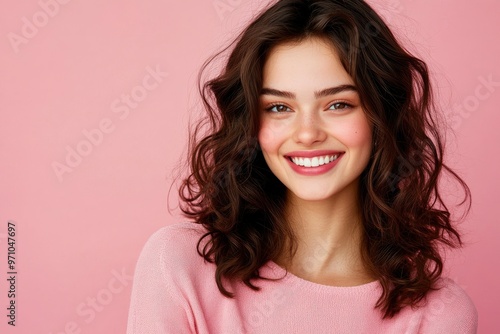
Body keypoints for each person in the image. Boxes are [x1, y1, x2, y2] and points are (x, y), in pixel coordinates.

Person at [126, 0, 478, 333]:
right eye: (279, 108)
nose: (307, 134)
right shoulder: (179, 264)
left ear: (380, 115)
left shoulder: (438, 315)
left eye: (338, 104)